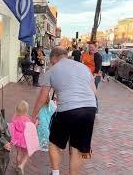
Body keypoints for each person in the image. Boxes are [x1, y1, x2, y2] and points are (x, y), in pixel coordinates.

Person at [32, 46, 97, 175]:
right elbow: (94, 92)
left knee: (54, 143)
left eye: (51, 61)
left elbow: (43, 96)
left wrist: (33, 115)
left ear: (54, 58)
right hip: (89, 109)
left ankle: (55, 173)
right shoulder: (84, 67)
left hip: (67, 109)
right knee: (76, 148)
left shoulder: (52, 70)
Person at [9, 100, 40, 174]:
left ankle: (18, 166)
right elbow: (31, 128)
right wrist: (36, 123)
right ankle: (21, 166)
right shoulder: (26, 120)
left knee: (19, 153)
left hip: (16, 139)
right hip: (24, 139)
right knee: (27, 153)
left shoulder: (14, 117)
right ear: (26, 111)